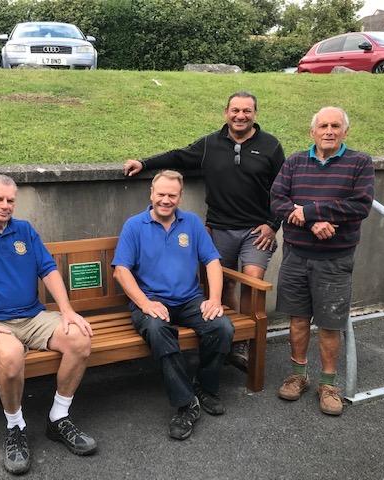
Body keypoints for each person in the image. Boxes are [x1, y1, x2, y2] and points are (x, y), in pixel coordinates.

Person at [0, 174, 97, 475]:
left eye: (10, 200)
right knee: (11, 356)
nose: (5, 205)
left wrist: (67, 310)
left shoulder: (24, 230)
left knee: (80, 338)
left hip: (33, 316)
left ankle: (58, 418)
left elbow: (48, 269)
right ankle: (16, 427)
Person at [122, 91, 285, 369]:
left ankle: (242, 343)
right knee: (226, 282)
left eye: (247, 111)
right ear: (226, 112)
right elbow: (180, 156)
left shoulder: (270, 146)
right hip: (219, 228)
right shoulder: (211, 143)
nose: (240, 116)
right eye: (235, 110)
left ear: (255, 114)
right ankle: (229, 339)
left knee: (251, 278)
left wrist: (272, 225)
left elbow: (283, 188)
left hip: (257, 230)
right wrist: (145, 163)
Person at [112, 170, 234, 440]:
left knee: (222, 327)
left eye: (172, 195)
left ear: (180, 197)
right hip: (152, 302)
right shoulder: (134, 225)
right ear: (151, 194)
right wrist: (145, 304)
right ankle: (185, 403)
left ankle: (205, 387)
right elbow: (121, 270)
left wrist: (214, 299)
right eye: (161, 194)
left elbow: (212, 262)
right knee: (157, 331)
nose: (166, 200)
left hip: (190, 300)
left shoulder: (191, 223)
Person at [270, 107, 374, 416]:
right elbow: (277, 200)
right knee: (298, 318)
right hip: (296, 255)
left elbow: (360, 205)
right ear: (312, 132)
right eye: (323, 126)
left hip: (335, 259)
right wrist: (311, 221)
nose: (328, 130)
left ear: (345, 132)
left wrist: (311, 211)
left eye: (335, 126)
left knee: (329, 323)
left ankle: (328, 385)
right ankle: (297, 376)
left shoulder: (359, 162)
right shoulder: (295, 162)